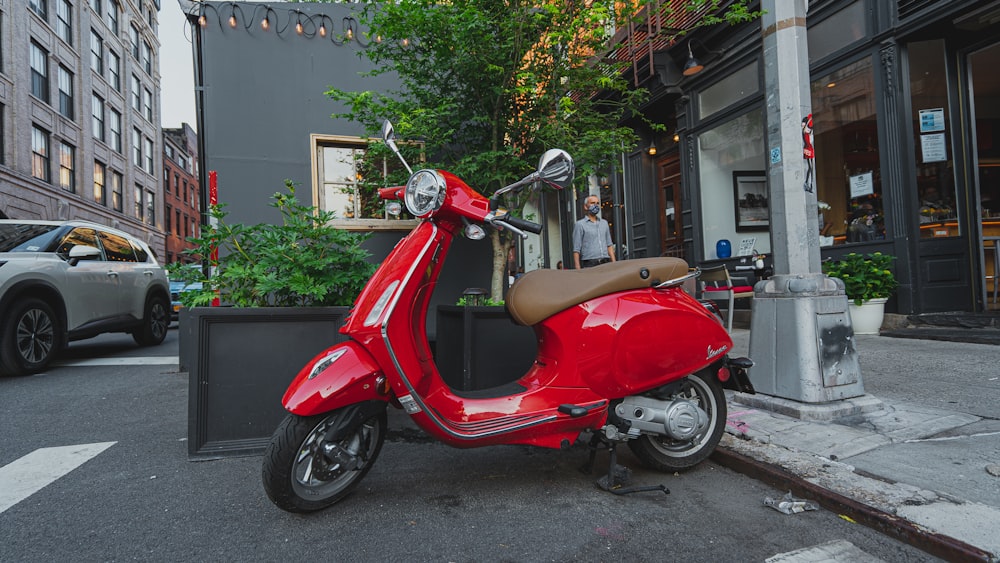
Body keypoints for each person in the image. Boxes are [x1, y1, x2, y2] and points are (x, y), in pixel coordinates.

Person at [572, 195, 616, 268]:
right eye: (592, 203)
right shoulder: (580, 225)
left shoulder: (604, 223)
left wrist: (614, 263)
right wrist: (578, 268)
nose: (595, 205)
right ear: (585, 206)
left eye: (597, 203)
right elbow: (576, 249)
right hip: (590, 264)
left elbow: (609, 245)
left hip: (605, 262)